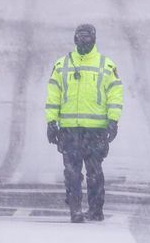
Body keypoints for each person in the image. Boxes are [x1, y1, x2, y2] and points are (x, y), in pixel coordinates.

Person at [44, 24, 123, 223]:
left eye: (87, 38)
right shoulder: (62, 65)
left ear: (94, 39)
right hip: (70, 130)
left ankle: (96, 209)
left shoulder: (106, 66)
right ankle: (76, 209)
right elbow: (53, 94)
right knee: (72, 172)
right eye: (81, 37)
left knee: (94, 172)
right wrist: (51, 122)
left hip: (95, 130)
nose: (84, 42)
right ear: (75, 39)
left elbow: (115, 94)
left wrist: (113, 121)